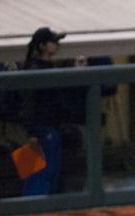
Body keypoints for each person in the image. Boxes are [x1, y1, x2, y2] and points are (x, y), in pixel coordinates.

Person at [20, 27, 88, 194]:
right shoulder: (33, 68)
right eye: (53, 41)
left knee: (48, 174)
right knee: (36, 175)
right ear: (42, 45)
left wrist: (78, 72)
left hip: (50, 127)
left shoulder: (46, 66)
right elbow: (28, 102)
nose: (57, 45)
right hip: (40, 130)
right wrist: (31, 133)